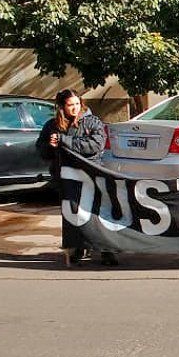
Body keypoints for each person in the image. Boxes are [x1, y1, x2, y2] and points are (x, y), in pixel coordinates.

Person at [35, 89, 114, 266]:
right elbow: (42, 150)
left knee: (97, 213)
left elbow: (96, 145)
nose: (75, 108)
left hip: (91, 175)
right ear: (62, 107)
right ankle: (78, 248)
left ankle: (106, 251)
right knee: (73, 215)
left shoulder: (92, 121)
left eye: (77, 104)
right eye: (70, 105)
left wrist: (65, 140)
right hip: (67, 178)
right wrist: (50, 145)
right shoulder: (52, 125)